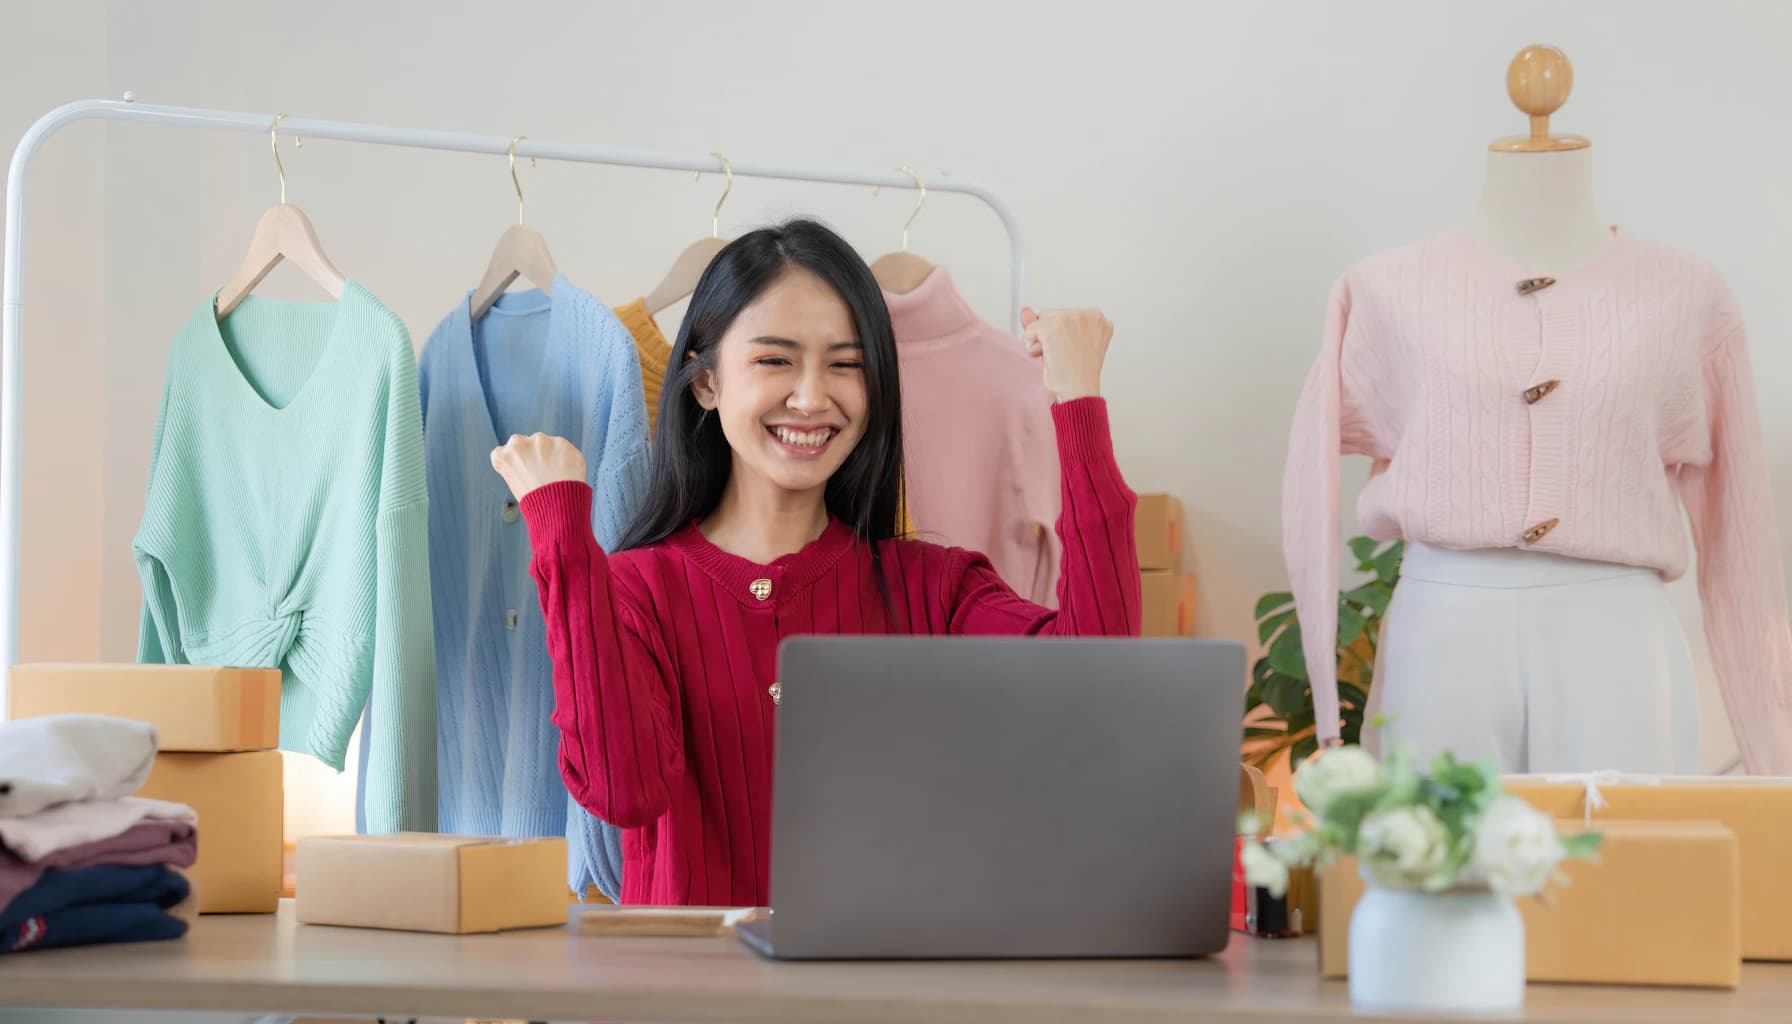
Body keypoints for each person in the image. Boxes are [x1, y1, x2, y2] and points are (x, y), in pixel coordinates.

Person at [490, 218, 1142, 907]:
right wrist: (563, 539)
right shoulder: (636, 590)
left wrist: (1079, 405)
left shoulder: (934, 588)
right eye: (775, 360)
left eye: (846, 364)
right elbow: (624, 791)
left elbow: (1095, 695)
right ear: (706, 382)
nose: (811, 396)